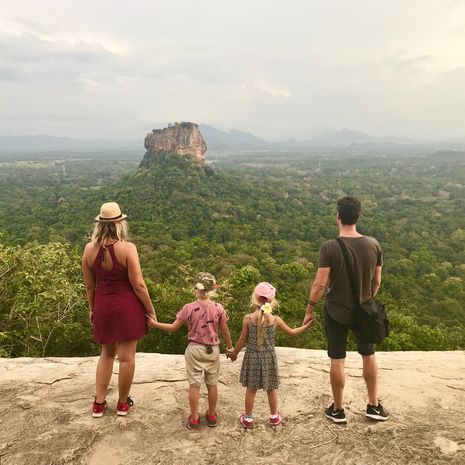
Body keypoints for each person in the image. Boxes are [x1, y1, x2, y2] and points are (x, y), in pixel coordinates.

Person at [303, 196, 389, 424]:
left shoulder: (329, 247)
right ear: (358, 216)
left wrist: (310, 308)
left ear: (338, 216)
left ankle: (338, 409)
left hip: (336, 312)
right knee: (368, 355)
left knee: (337, 359)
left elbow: (320, 285)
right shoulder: (374, 244)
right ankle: (373, 405)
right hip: (364, 311)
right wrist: (365, 299)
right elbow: (376, 282)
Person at [82, 202, 156, 418]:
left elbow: (89, 285)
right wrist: (150, 310)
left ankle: (99, 404)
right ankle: (123, 404)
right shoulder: (127, 248)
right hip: (127, 307)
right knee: (126, 357)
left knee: (106, 354)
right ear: (119, 223)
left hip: (103, 305)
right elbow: (139, 285)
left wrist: (92, 308)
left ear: (99, 224)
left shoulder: (88, 250)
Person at [146, 272, 233, 429]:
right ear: (212, 289)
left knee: (194, 385)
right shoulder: (218, 308)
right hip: (212, 350)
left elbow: (173, 328)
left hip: (194, 349)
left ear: (196, 289)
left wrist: (155, 324)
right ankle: (212, 415)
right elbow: (225, 331)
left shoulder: (189, 308)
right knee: (212, 385)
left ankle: (194, 418)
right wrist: (230, 347)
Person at [227, 282, 313, 429]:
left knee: (251, 389)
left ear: (255, 299)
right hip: (269, 358)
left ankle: (248, 419)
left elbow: (242, 339)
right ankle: (274, 416)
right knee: (271, 388)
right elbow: (292, 332)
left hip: (252, 357)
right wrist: (306, 326)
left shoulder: (248, 319)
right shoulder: (275, 320)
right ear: (272, 301)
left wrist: (234, 353)